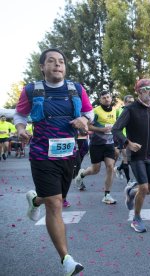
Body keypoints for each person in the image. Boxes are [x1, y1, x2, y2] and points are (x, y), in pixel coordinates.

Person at [14, 48, 92, 275]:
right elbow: (20, 115)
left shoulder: (76, 89)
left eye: (61, 62)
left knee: (55, 198)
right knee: (56, 204)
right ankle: (66, 260)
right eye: (51, 61)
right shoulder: (31, 90)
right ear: (42, 67)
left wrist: (83, 119)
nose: (57, 65)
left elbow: (90, 113)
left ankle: (35, 200)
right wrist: (20, 128)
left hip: (69, 154)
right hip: (41, 153)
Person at [112, 78, 150, 233]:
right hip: (136, 155)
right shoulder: (130, 109)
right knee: (144, 187)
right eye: (148, 89)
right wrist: (128, 143)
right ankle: (136, 218)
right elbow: (116, 129)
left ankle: (131, 192)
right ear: (139, 92)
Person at [75, 91, 117, 204]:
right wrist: (101, 130)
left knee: (110, 166)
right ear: (100, 100)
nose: (107, 99)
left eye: (108, 97)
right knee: (95, 170)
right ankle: (82, 174)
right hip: (96, 144)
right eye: (104, 98)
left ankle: (107, 194)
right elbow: (88, 126)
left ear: (111, 98)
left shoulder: (115, 110)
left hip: (109, 143)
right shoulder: (95, 111)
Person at [114, 95, 135, 184]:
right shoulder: (120, 111)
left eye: (133, 102)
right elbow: (115, 125)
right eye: (129, 102)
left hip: (131, 138)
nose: (131, 103)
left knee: (128, 159)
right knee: (126, 157)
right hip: (122, 138)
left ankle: (119, 169)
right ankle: (128, 181)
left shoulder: (134, 111)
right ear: (125, 102)